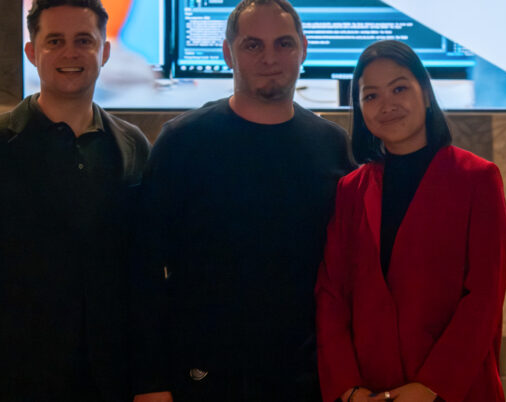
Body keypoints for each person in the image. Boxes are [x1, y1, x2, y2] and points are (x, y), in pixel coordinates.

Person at [130, 1, 354, 401]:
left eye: (283, 43)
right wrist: (150, 382)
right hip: (203, 376)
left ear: (303, 48)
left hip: (305, 378)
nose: (270, 58)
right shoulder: (183, 142)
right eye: (253, 45)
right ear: (227, 53)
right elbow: (143, 266)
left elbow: (347, 274)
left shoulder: (332, 145)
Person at [0, 0, 149, 400]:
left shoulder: (132, 145)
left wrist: (152, 382)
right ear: (32, 52)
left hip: (112, 379)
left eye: (84, 40)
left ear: (104, 51)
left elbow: (144, 273)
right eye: (55, 41)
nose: (70, 53)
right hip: (12, 379)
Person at [315, 40, 506, 402]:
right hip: (370, 390)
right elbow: (331, 295)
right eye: (371, 96)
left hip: (454, 389)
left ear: (427, 94)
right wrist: (348, 388)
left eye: (399, 88)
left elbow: (484, 296)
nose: (386, 104)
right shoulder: (350, 190)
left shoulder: (477, 178)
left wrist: (431, 386)